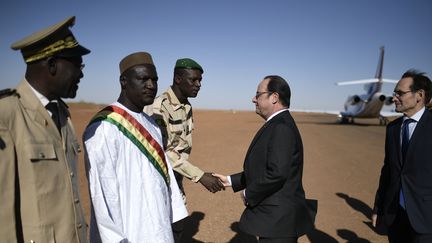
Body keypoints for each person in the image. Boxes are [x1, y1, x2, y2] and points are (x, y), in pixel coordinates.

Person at [0, 16, 90, 243]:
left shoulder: (62, 115)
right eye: (77, 65)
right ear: (51, 65)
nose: (81, 74)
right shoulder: (7, 115)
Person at [83, 52, 188, 243]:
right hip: (129, 233)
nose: (151, 85)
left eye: (154, 80)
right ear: (124, 81)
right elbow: (103, 193)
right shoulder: (105, 126)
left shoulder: (153, 124)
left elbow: (164, 180)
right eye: (143, 79)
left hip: (159, 229)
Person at [213, 75, 317, 243]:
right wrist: (231, 180)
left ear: (274, 98)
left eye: (258, 94)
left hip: (280, 222)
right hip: (275, 221)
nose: (253, 99)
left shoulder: (282, 127)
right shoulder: (277, 123)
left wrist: (249, 193)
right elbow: (264, 167)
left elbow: (277, 173)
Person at [144, 58, 224, 242]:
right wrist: (199, 175)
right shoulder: (158, 107)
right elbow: (162, 152)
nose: (198, 85)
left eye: (200, 81)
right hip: (158, 183)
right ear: (178, 79)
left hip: (176, 179)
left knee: (177, 227)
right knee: (161, 231)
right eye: (193, 80)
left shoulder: (186, 106)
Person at [372, 69, 432, 242]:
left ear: (419, 95)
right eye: (394, 93)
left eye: (400, 93)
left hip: (426, 219)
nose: (394, 98)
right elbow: (388, 170)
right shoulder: (393, 128)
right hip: (395, 216)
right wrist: (379, 207)